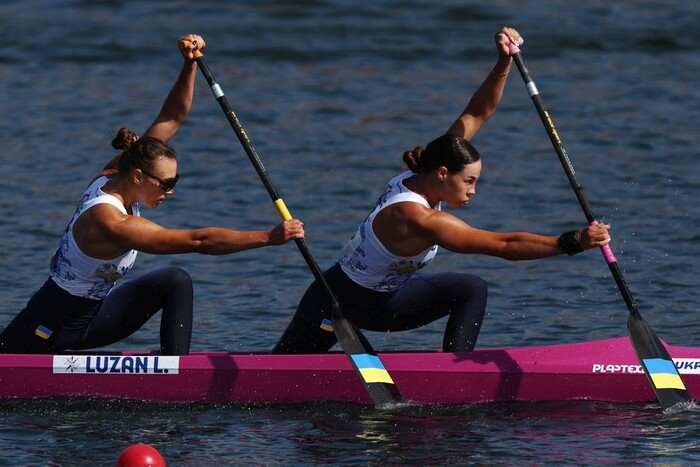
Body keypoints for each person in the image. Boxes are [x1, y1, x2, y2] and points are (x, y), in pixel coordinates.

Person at [272, 27, 610, 354]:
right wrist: (572, 242)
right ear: (444, 173)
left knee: (470, 288)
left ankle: (456, 372)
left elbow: (477, 113)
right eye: (469, 181)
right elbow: (503, 246)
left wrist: (503, 62)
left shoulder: (422, 172)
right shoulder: (416, 216)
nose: (473, 192)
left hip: (385, 302)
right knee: (278, 381)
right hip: (333, 305)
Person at [0, 34, 305, 356]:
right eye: (165, 183)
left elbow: (171, 118)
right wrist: (267, 237)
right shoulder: (111, 221)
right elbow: (197, 241)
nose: (170, 191)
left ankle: (175, 366)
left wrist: (189, 65)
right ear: (137, 176)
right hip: (51, 327)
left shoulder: (117, 171)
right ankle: (177, 377)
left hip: (91, 314)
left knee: (174, 280)